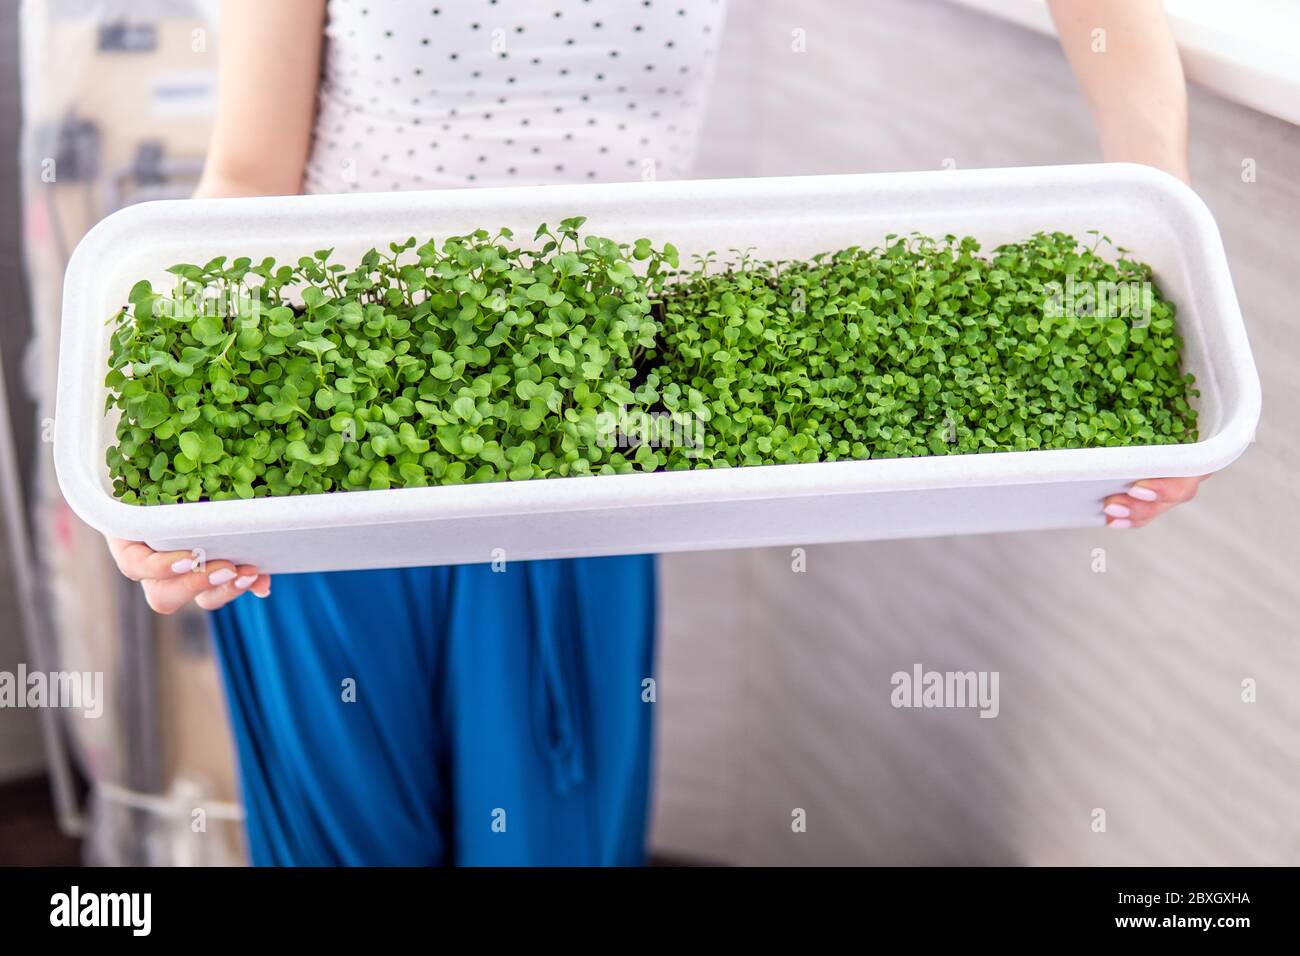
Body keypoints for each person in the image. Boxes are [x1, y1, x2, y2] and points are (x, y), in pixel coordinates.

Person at [104, 0, 1206, 865]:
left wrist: (1165, 243)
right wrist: (143, 478)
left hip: (591, 455)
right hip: (323, 452)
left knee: (553, 839)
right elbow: (249, 173)